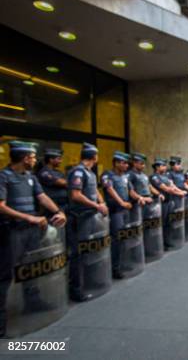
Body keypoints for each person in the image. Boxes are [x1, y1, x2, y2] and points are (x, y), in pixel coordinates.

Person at [0, 141, 66, 337]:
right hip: (11, 230)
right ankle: (2, 318)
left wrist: (58, 211)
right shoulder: (4, 176)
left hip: (31, 229)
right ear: (24, 157)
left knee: (30, 266)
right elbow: (1, 206)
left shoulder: (30, 177)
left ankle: (32, 302)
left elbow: (42, 196)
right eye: (32, 156)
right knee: (6, 274)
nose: (35, 159)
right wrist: (29, 217)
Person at [66, 142, 109, 301]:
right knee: (79, 254)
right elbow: (76, 195)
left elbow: (95, 190)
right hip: (80, 217)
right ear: (94, 157)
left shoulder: (89, 173)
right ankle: (76, 289)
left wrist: (102, 202)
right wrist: (97, 205)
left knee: (90, 251)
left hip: (90, 217)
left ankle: (89, 282)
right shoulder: (78, 172)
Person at [101, 151, 147, 278]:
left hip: (126, 211)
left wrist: (139, 198)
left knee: (125, 239)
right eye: (123, 163)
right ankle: (114, 268)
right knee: (116, 240)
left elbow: (131, 191)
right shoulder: (107, 175)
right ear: (115, 163)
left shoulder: (125, 177)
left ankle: (123, 263)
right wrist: (121, 202)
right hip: (115, 212)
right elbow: (110, 189)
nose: (126, 165)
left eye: (127, 163)